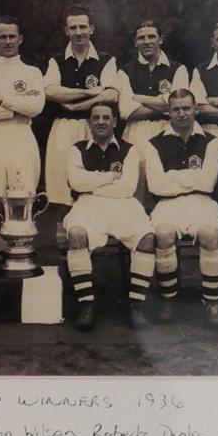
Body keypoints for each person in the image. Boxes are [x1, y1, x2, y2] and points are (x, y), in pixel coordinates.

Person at [63, 102, 156, 331]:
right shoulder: (76, 149)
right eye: (96, 117)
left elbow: (126, 188)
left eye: (106, 117)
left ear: (115, 122)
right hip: (87, 204)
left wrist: (91, 181)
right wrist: (110, 177)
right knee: (76, 234)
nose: (101, 121)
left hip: (124, 204)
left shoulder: (130, 149)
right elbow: (75, 182)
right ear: (89, 123)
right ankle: (87, 305)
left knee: (147, 237)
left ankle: (136, 305)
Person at [143, 89, 218, 328]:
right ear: (168, 112)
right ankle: (169, 299)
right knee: (164, 234)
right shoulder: (153, 144)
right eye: (176, 109)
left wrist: (172, 178)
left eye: (186, 108)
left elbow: (208, 182)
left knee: (210, 235)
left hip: (202, 201)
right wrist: (191, 177)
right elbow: (157, 185)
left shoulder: (212, 142)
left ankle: (213, 303)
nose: (181, 113)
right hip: (167, 204)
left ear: (196, 109)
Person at [0, 15, 46, 269]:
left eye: (12, 36)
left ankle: (21, 253)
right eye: (2, 36)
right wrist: (18, 105)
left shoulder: (32, 72)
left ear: (20, 38)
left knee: (22, 196)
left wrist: (1, 99)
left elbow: (36, 107)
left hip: (22, 137)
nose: (8, 41)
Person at [44, 4, 120, 208]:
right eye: (73, 27)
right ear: (66, 31)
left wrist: (78, 106)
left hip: (93, 127)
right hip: (63, 126)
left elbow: (111, 94)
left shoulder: (106, 60)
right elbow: (50, 92)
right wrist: (90, 92)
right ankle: (63, 232)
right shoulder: (56, 61)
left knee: (93, 177)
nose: (78, 32)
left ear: (91, 29)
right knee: (60, 180)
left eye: (83, 27)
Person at [118, 20, 189, 145]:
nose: (146, 42)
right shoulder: (125, 71)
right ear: (135, 42)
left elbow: (179, 105)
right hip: (135, 134)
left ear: (160, 39)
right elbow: (126, 111)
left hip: (168, 132)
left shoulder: (178, 69)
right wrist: (165, 104)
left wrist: (138, 98)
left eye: (151, 37)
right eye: (141, 38)